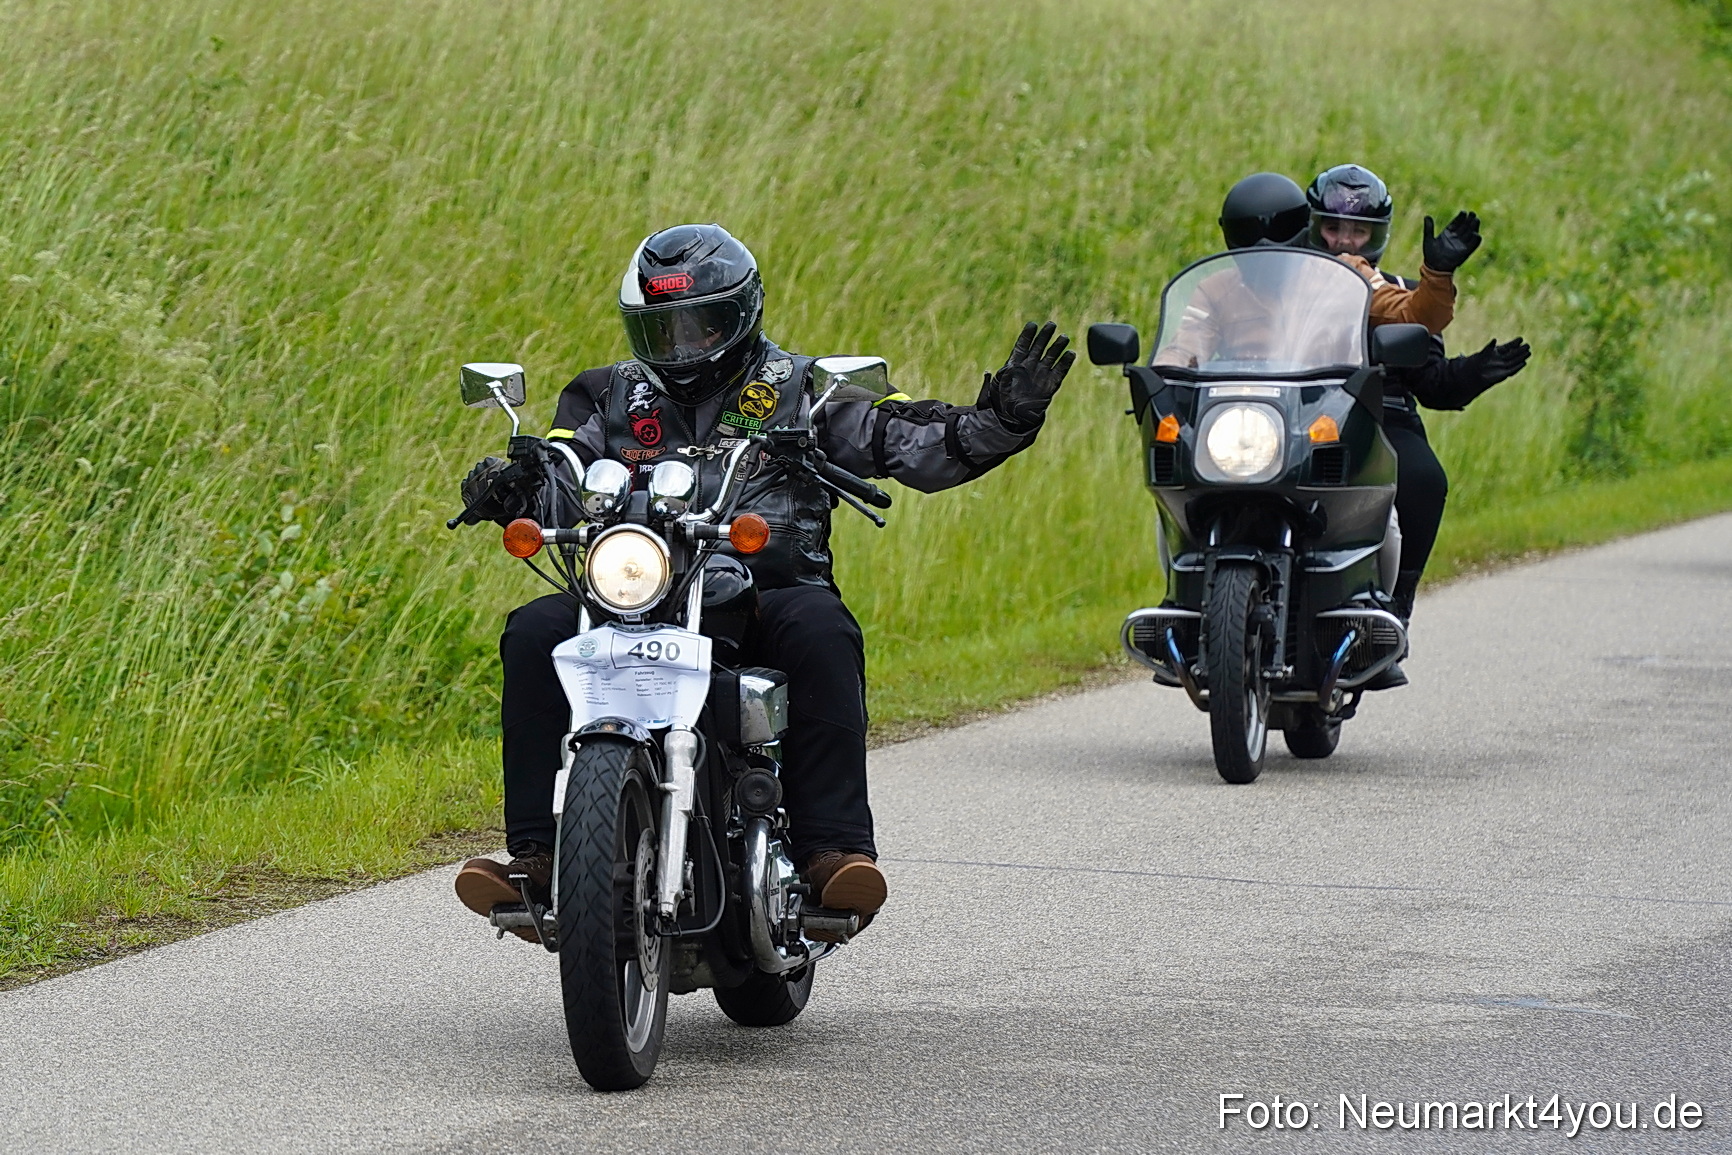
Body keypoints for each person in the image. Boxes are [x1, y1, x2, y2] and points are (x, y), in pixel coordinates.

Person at [452, 223, 1075, 939]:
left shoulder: (803, 390)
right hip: (636, 589)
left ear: (741, 315)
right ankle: (535, 851)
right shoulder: (605, 393)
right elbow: (560, 469)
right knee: (533, 628)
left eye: (700, 325)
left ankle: (832, 850)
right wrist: (513, 488)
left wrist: (999, 420)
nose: (682, 346)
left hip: (763, 589)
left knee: (821, 627)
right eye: (664, 329)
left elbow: (905, 440)